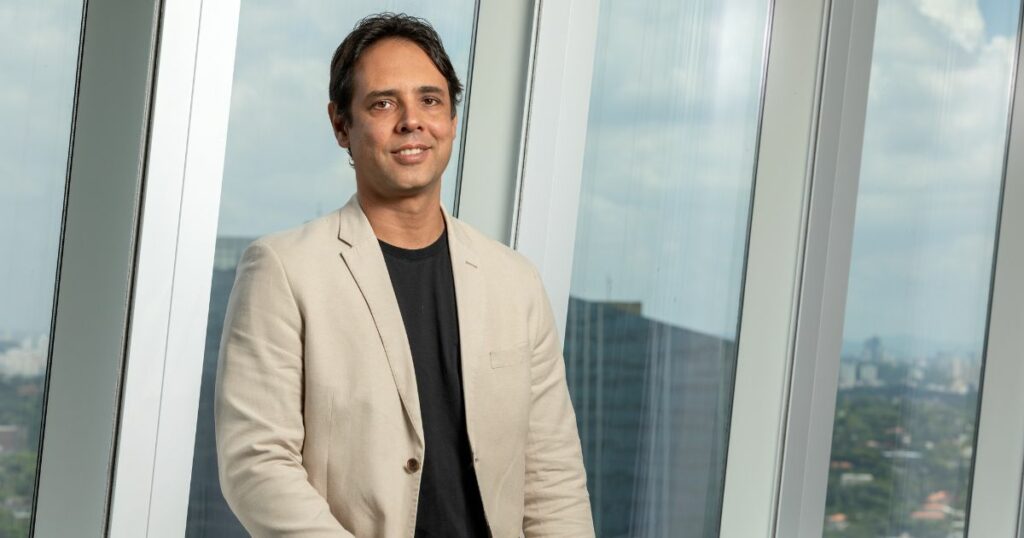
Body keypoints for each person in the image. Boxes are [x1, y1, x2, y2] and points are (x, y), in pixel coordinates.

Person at [214, 12, 594, 538]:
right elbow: (256, 464)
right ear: (341, 125)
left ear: (452, 120)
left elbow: (552, 478)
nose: (411, 120)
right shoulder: (284, 270)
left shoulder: (515, 283)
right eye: (383, 102)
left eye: (430, 100)